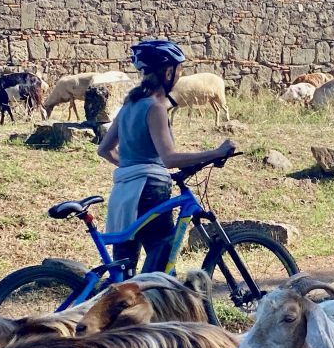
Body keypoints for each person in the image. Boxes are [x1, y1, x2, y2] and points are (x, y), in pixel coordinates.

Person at [97, 39, 235, 276]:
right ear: (168, 72)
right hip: (150, 191)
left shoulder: (130, 105)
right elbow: (169, 158)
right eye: (179, 71)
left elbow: (104, 149)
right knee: (160, 269)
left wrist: (132, 166)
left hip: (123, 193)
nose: (180, 77)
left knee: (123, 276)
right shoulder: (156, 108)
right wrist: (216, 152)